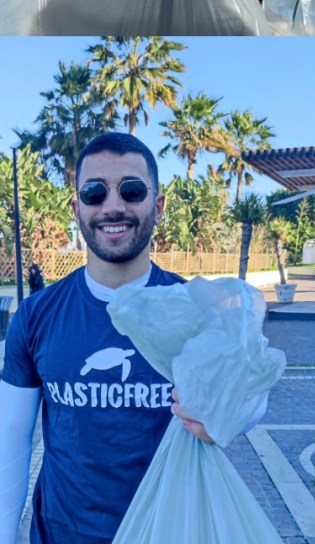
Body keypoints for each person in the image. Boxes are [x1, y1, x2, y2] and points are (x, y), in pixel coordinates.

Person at [0, 132, 251, 544]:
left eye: (131, 190)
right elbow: (11, 436)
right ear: (76, 207)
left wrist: (222, 415)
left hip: (171, 530)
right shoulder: (35, 316)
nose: (112, 205)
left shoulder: (198, 308)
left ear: (158, 205)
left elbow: (249, 401)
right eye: (94, 192)